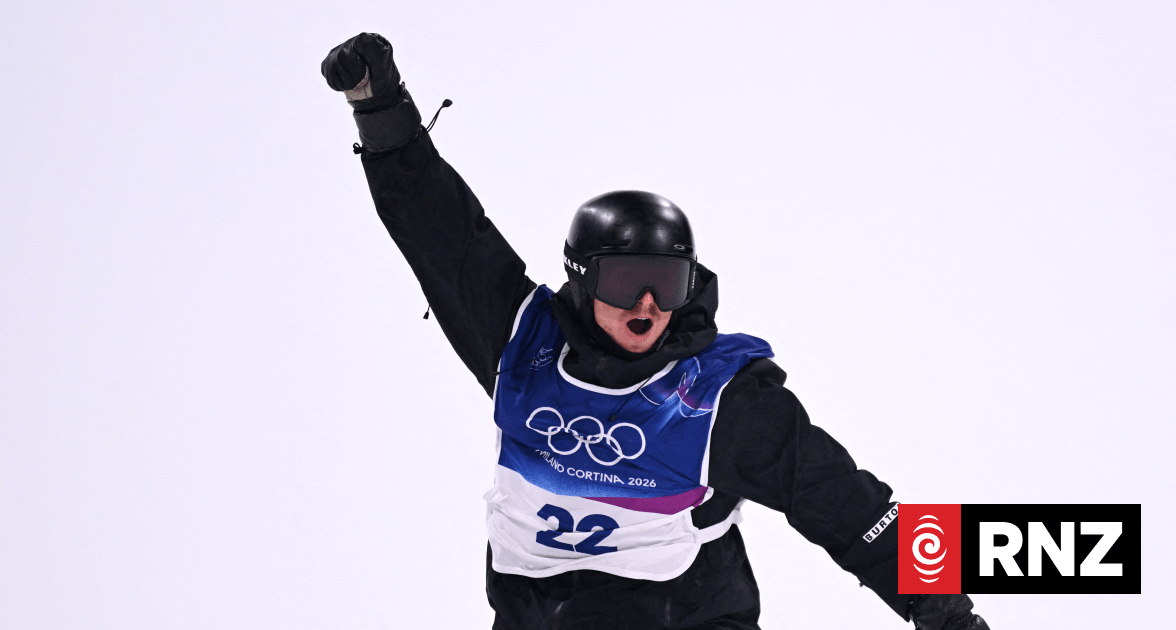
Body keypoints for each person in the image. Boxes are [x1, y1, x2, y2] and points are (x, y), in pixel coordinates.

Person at [320, 32, 991, 630]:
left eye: (666, 284)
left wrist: (947, 612)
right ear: (581, 283)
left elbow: (851, 509)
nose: (646, 303)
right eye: (622, 282)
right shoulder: (521, 344)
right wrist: (381, 112)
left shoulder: (719, 400)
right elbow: (443, 237)